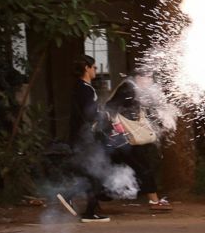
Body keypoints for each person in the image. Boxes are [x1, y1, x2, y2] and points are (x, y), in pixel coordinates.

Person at [56, 55, 110, 223]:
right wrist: (103, 115)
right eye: (94, 67)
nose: (95, 70)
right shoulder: (85, 89)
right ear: (86, 68)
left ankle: (86, 208)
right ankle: (85, 208)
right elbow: (89, 114)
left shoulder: (80, 87)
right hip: (85, 138)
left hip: (82, 137)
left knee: (88, 172)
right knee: (93, 172)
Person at [105, 77, 171, 212]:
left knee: (117, 167)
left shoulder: (134, 89)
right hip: (127, 138)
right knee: (143, 167)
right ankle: (154, 200)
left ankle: (94, 200)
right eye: (148, 77)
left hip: (127, 139)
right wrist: (119, 128)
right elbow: (110, 108)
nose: (150, 80)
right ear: (140, 77)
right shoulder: (128, 89)